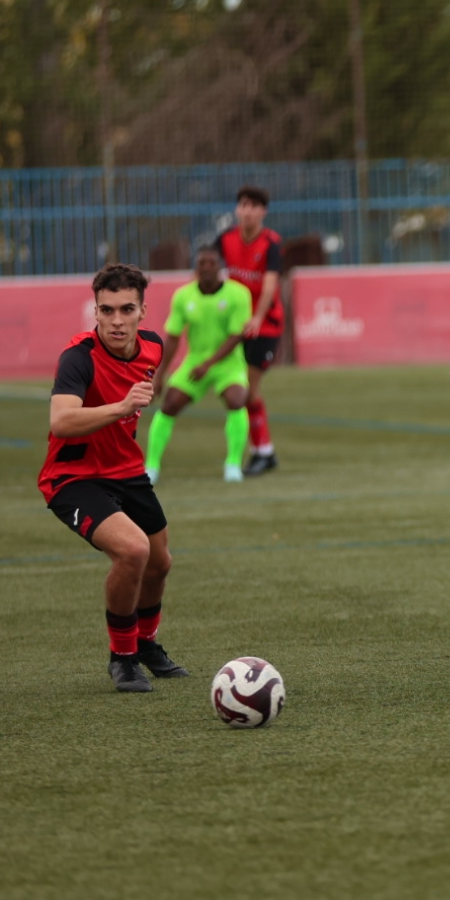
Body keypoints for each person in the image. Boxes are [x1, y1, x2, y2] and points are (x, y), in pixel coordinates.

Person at [39, 263, 189, 693]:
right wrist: (122, 408)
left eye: (126, 309)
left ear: (143, 312)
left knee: (160, 563)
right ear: (96, 312)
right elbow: (61, 421)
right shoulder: (78, 358)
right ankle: (122, 658)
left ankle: (146, 644)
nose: (116, 321)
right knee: (133, 550)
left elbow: (143, 388)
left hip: (127, 471)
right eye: (107, 310)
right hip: (73, 477)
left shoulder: (153, 347)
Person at [144, 244, 254, 483]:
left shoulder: (239, 294)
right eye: (201, 263)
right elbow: (173, 338)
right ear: (195, 267)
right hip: (194, 363)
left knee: (236, 400)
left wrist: (209, 364)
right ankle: (151, 467)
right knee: (169, 405)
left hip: (228, 364)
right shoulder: (183, 296)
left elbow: (236, 336)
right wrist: (159, 376)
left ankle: (233, 465)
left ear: (220, 266)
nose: (206, 268)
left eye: (211, 263)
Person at [214, 185, 284, 475]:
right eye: (244, 205)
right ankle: (263, 451)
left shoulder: (271, 243)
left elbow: (269, 284)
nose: (248, 211)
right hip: (235, 326)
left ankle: (263, 451)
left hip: (265, 326)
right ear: (237, 209)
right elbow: (212, 274)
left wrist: (257, 317)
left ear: (263, 211)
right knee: (238, 389)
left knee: (248, 388)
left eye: (254, 206)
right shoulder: (225, 239)